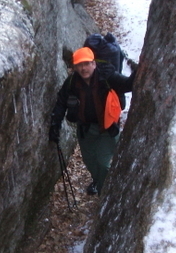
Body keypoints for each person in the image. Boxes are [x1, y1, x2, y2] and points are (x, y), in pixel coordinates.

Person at [49, 46, 135, 195]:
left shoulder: (107, 77)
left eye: (87, 64)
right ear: (75, 67)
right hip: (86, 130)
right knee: (90, 162)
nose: (83, 68)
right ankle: (99, 181)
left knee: (103, 163)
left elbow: (127, 85)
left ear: (94, 64)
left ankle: (106, 194)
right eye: (79, 65)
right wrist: (55, 124)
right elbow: (61, 103)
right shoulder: (72, 83)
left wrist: (140, 68)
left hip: (107, 128)